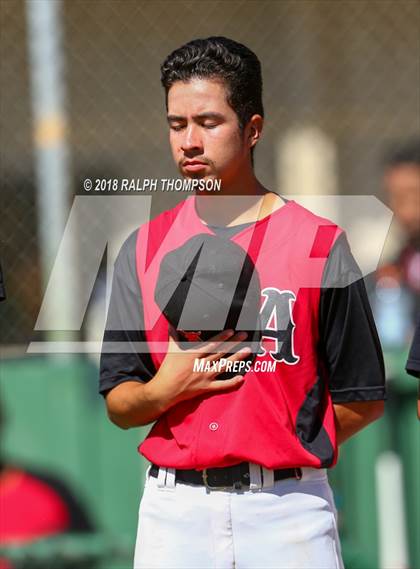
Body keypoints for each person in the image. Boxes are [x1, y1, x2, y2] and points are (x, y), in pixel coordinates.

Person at [99, 37, 386, 569]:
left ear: (252, 129)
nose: (189, 141)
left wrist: (282, 440)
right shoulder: (141, 250)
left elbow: (363, 395)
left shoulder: (319, 244)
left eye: (209, 122)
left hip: (287, 511)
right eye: (176, 123)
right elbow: (119, 401)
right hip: (173, 512)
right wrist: (165, 389)